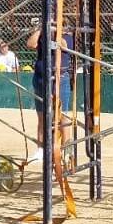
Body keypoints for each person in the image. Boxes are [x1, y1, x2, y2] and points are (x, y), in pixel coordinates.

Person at [27, 20, 75, 164]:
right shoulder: (43, 35)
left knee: (63, 116)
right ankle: (41, 150)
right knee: (42, 117)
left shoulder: (67, 35)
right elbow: (31, 44)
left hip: (60, 78)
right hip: (41, 77)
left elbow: (64, 46)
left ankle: (65, 150)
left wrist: (56, 32)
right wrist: (41, 29)